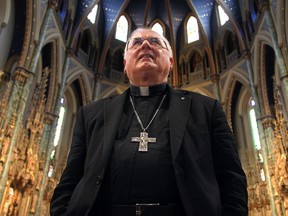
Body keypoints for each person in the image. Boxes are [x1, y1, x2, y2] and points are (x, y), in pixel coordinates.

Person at [50, 27, 248, 216]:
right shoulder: (91, 114)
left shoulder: (206, 109)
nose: (145, 45)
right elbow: (69, 181)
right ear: (125, 62)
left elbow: (232, 178)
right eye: (136, 43)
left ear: (171, 61)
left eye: (156, 42)